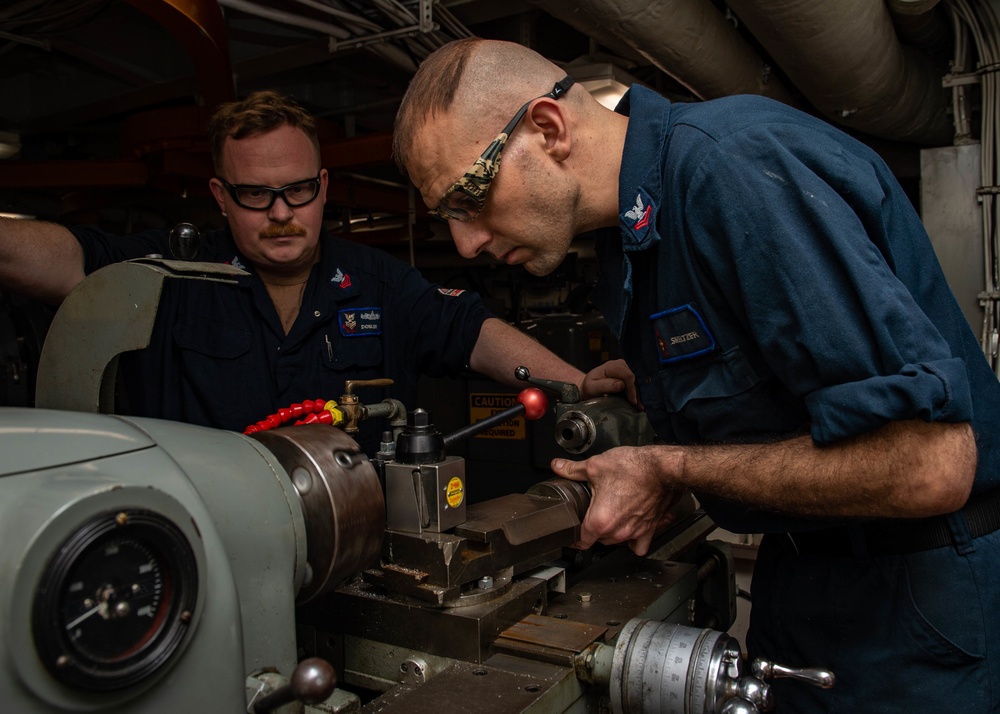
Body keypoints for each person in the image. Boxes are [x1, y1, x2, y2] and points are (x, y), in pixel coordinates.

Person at [393, 38, 1000, 712]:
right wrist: (657, 389)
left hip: (911, 600)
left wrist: (670, 467)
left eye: (469, 196)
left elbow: (929, 463)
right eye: (448, 216)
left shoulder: (730, 172)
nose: (466, 243)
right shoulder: (636, 241)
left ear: (548, 128)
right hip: (806, 577)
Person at [0, 89, 631, 455]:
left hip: (356, 554)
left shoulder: (380, 284)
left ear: (324, 187)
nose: (280, 214)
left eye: (298, 191)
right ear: (220, 197)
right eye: (254, 195)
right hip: (211, 559)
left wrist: (578, 384)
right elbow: (66, 261)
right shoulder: (168, 278)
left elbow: (469, 330)